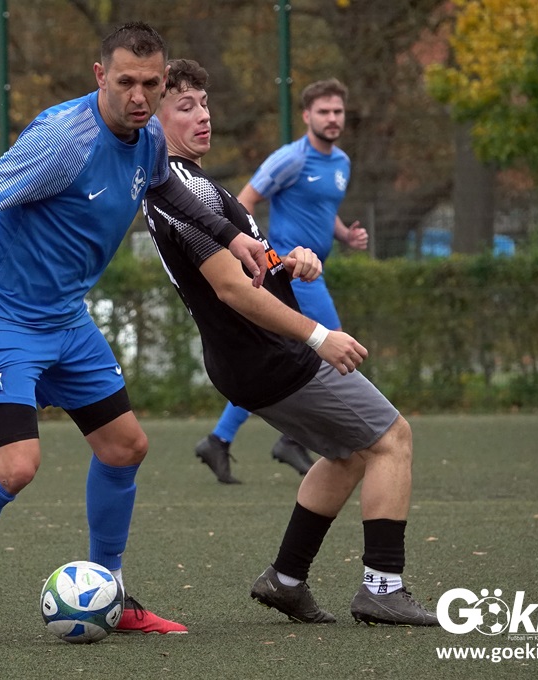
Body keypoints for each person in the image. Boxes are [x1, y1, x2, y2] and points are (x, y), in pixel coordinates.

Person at [0, 22, 269, 644]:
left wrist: (232, 236)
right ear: (101, 76)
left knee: (125, 447)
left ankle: (110, 593)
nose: (138, 95)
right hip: (3, 319)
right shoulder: (64, 140)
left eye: (150, 84)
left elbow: (165, 190)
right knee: (17, 466)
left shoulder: (149, 138)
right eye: (125, 81)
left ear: (163, 82)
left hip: (66, 321)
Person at [144, 58, 437, 626]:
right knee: (391, 437)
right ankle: (383, 586)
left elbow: (245, 268)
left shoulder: (191, 185)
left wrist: (286, 260)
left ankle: (285, 580)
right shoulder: (182, 188)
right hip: (269, 353)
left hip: (249, 358)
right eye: (185, 107)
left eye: (205, 104)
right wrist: (318, 335)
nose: (203, 116)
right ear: (155, 122)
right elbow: (230, 289)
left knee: (348, 454)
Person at [194, 77, 369, 484]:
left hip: (313, 271)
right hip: (289, 272)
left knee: (283, 357)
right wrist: (260, 256)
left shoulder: (342, 162)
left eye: (338, 111)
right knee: (337, 347)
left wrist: (345, 235)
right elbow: (243, 202)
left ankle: (222, 439)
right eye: (323, 112)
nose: (332, 118)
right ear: (307, 116)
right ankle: (303, 438)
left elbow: (324, 209)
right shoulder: (290, 159)